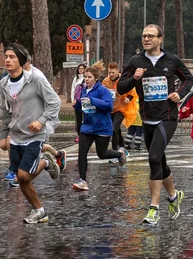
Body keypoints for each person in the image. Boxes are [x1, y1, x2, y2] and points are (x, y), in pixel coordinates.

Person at [118, 24, 193, 224]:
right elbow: (120, 87)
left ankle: (153, 208)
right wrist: (134, 79)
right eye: (144, 36)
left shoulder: (171, 60)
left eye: (151, 36)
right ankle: (173, 196)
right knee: (160, 160)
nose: (146, 39)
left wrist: (180, 94)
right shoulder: (136, 61)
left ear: (160, 39)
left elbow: (188, 78)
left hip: (167, 117)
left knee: (153, 158)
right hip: (147, 118)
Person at [0, 44, 61, 223]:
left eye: (12, 57)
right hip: (16, 136)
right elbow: (4, 112)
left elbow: (55, 102)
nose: (8, 60)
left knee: (23, 176)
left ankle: (45, 162)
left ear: (21, 61)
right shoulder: (3, 84)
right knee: (22, 179)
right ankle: (39, 211)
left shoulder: (35, 79)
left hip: (35, 136)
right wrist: (3, 136)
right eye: (6, 56)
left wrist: (41, 121)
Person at [73, 63, 128, 191]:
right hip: (87, 127)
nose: (86, 79)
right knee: (82, 153)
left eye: (89, 77)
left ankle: (119, 155)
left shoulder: (103, 90)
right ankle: (82, 180)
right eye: (85, 77)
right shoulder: (83, 89)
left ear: (96, 78)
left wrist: (93, 100)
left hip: (102, 126)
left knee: (101, 154)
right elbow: (83, 106)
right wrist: (77, 104)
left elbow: (109, 106)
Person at [103, 62, 139, 156]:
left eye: (113, 72)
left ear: (117, 71)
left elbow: (132, 92)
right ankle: (122, 147)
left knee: (114, 129)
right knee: (116, 129)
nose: (111, 74)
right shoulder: (105, 81)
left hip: (122, 108)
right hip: (111, 108)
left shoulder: (123, 80)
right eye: (109, 72)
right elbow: (101, 92)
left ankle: (115, 152)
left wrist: (129, 98)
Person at [71, 63, 86, 142]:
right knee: (78, 119)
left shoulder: (86, 78)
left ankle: (85, 134)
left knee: (85, 118)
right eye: (79, 68)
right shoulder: (75, 79)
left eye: (82, 68)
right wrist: (72, 100)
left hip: (84, 101)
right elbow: (73, 90)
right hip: (77, 102)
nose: (80, 70)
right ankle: (79, 134)